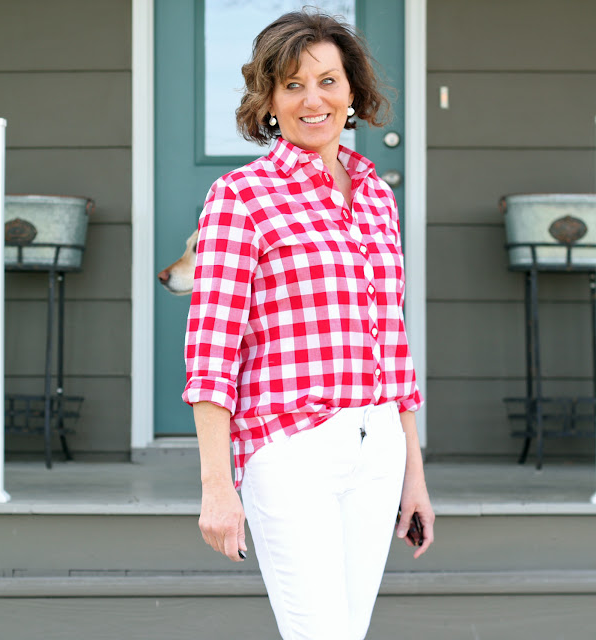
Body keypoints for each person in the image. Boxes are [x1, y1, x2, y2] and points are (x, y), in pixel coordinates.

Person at [182, 9, 434, 640]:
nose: (311, 100)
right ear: (268, 101)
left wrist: (414, 476)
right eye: (291, 85)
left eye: (327, 81)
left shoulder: (377, 194)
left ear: (353, 92)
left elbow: (392, 342)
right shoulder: (241, 196)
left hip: (379, 449)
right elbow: (212, 348)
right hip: (293, 451)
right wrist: (218, 486)